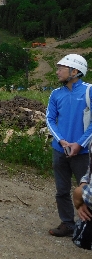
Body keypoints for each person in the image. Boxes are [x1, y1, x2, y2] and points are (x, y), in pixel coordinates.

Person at [46, 54, 91, 237]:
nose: (57, 72)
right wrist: (61, 140)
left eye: (60, 68)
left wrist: (79, 144)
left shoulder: (89, 91)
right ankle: (67, 223)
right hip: (60, 150)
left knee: (86, 191)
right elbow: (50, 119)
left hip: (84, 152)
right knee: (61, 190)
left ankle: (86, 226)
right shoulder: (56, 93)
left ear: (75, 71)